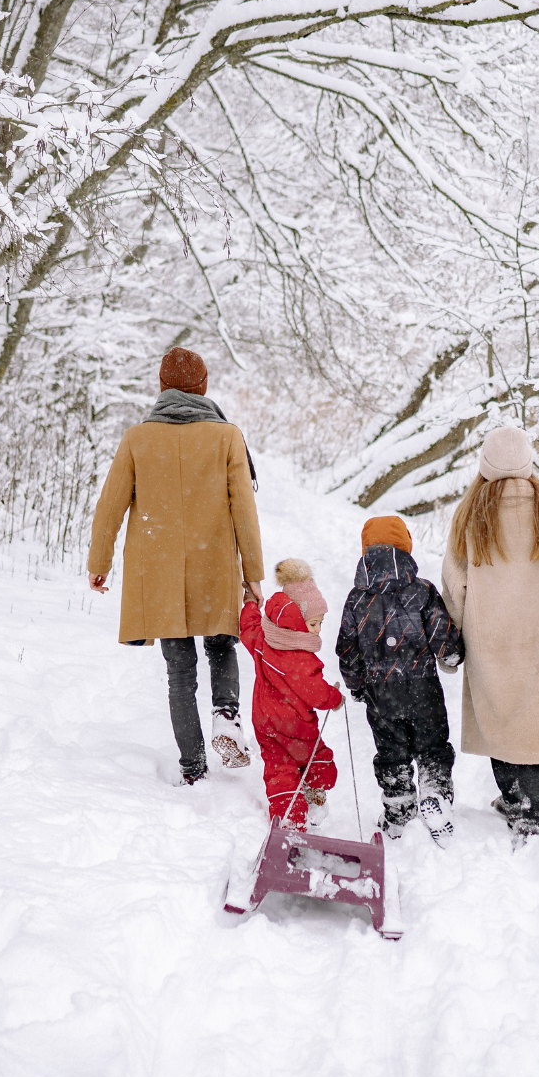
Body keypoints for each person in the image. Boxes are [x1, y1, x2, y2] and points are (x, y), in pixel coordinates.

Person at [87, 347, 264, 784]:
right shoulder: (227, 437)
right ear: (203, 388)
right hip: (214, 565)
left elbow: (110, 506)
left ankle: (193, 767)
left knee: (179, 668)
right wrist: (253, 573)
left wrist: (99, 562)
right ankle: (226, 715)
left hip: (160, 570)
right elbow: (244, 507)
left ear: (161, 386)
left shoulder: (137, 438)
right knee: (221, 644)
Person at [441, 426, 539, 844]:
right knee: (531, 723)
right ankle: (531, 812)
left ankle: (512, 799)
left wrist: (450, 642)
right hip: (538, 640)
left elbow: (455, 586)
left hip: (487, 637)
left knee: (499, 719)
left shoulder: (470, 512)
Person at [337, 516, 464, 847]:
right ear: (405, 547)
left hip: (381, 695)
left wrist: (357, 685)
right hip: (423, 688)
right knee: (432, 746)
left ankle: (399, 811)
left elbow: (347, 651)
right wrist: (454, 654)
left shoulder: (356, 599)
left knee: (391, 753)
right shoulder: (421, 591)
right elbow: (444, 641)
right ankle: (435, 793)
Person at [240, 559, 343, 831]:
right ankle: (316, 793)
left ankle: (290, 820)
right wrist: (335, 698)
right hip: (295, 727)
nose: (318, 630)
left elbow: (248, 628)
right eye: (312, 624)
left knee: (279, 771)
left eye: (320, 623)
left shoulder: (264, 638)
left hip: (264, 724)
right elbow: (317, 693)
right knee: (318, 760)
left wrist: (250, 603)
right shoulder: (301, 660)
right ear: (296, 621)